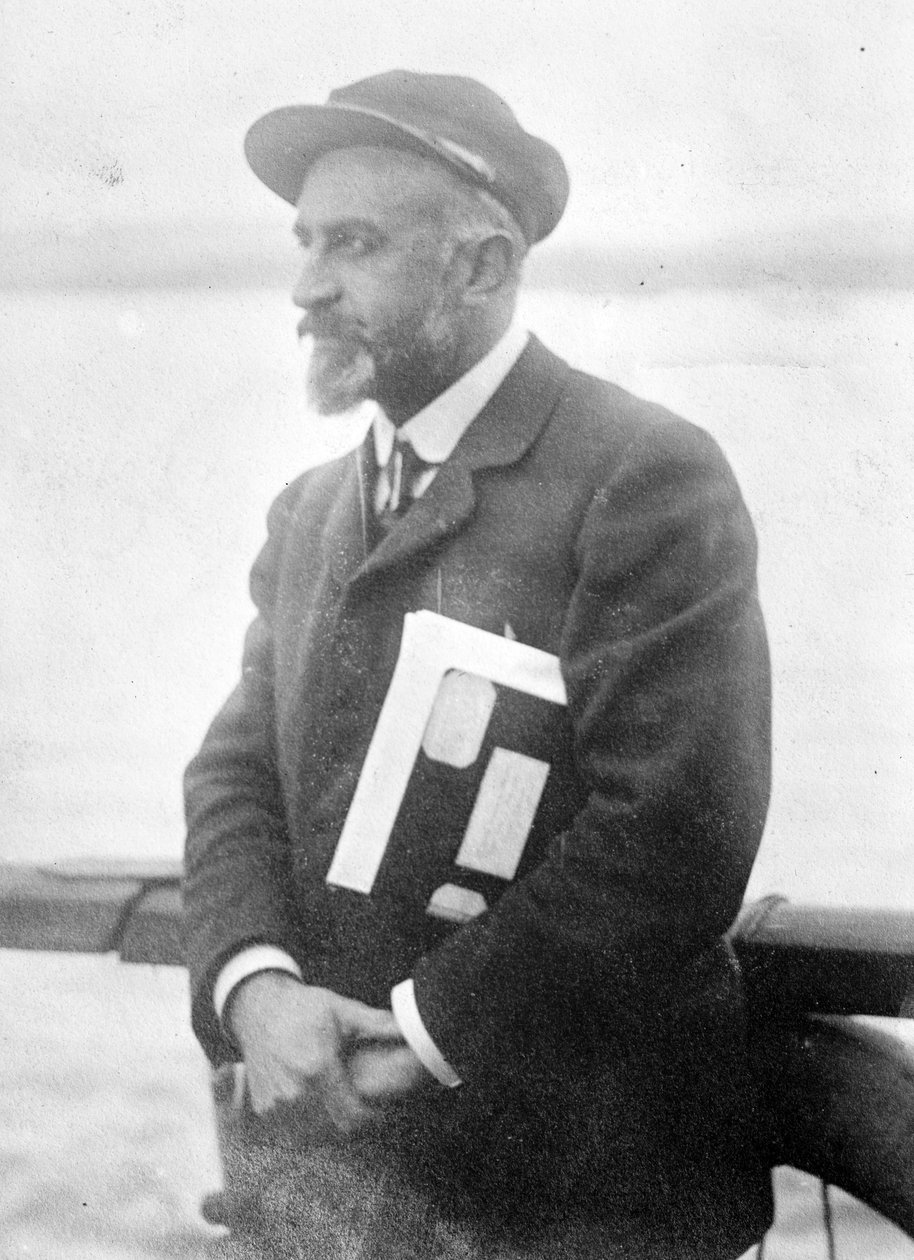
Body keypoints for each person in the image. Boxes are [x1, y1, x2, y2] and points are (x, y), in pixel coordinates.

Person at [183, 70, 775, 1259]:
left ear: (482, 266)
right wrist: (256, 989)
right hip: (339, 1195)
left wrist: (419, 1033)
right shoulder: (310, 511)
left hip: (583, 1199)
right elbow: (234, 777)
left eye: (352, 244)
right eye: (304, 243)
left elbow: (673, 833)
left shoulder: (640, 474)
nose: (306, 287)